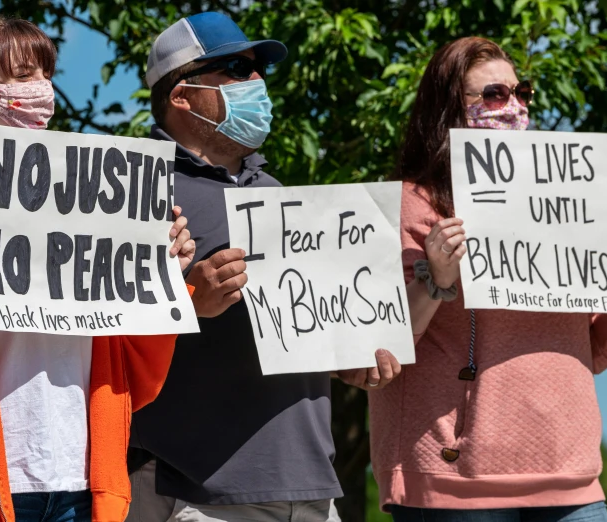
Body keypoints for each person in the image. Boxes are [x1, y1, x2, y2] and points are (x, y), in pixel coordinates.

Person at [0, 16, 196, 522]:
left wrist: (163, 278)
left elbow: (136, 374)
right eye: (24, 74)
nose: (42, 89)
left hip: (85, 483)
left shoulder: (97, 207)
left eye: (45, 73)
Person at [126, 12, 400, 522]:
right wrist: (189, 301)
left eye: (258, 68)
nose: (257, 81)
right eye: (236, 67)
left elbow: (298, 333)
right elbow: (101, 338)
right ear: (181, 95)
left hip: (311, 487)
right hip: (195, 491)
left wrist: (350, 359)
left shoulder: (278, 196)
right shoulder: (132, 188)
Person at [366, 36, 607, 522]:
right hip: (456, 479)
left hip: (570, 472)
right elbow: (381, 348)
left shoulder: (573, 209)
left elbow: (594, 353)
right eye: (494, 95)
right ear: (448, 109)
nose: (513, 106)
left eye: (522, 93)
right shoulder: (414, 205)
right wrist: (437, 277)